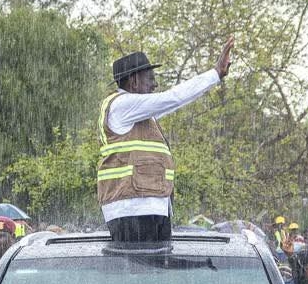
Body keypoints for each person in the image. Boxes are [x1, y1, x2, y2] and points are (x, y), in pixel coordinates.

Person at [96, 38, 234, 243]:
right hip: (133, 207)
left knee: (153, 270)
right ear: (133, 81)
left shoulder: (138, 114)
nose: (155, 85)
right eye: (150, 79)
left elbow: (175, 102)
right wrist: (215, 74)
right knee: (143, 268)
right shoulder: (123, 105)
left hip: (145, 205)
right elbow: (173, 97)